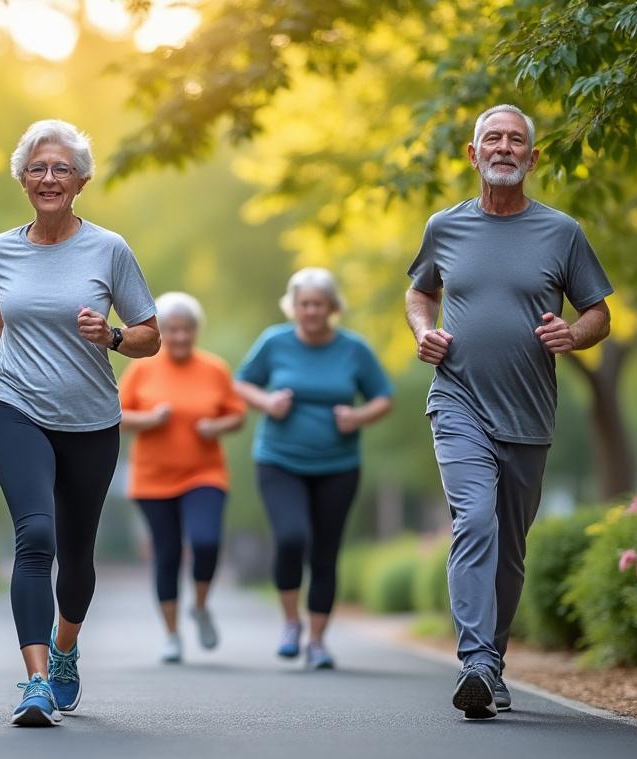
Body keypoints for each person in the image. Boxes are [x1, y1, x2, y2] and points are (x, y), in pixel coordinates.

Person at [405, 104, 612, 719]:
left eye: (515, 140)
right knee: (476, 521)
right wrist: (424, 330)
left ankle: (491, 661)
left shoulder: (562, 232)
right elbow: (421, 290)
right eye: (491, 139)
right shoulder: (445, 227)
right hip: (457, 397)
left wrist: (574, 335)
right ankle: (473, 661)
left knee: (511, 546)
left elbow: (599, 311)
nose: (503, 148)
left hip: (527, 412)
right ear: (473, 155)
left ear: (532, 157)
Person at [0, 119, 160, 726]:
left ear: (81, 180)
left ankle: (66, 646)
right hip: (16, 406)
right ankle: (35, 681)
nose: (48, 179)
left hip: (91, 419)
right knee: (37, 537)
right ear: (22, 179)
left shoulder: (109, 249)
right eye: (37, 168)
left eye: (60, 169)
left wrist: (113, 335)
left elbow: (150, 336)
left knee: (76, 554)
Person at [235, 267, 392, 670]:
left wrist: (357, 417)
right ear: (294, 306)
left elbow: (382, 397)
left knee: (325, 551)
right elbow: (241, 382)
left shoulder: (353, 349)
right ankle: (291, 623)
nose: (311, 311)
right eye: (304, 304)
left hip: (338, 464)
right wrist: (268, 403)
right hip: (279, 460)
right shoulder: (275, 342)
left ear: (332, 307)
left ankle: (318, 642)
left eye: (319, 304)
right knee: (291, 538)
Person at [119, 291, 245, 663]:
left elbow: (237, 415)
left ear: (196, 331)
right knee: (167, 553)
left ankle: (201, 605)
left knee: (205, 541)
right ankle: (172, 635)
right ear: (161, 331)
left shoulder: (214, 369)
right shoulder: (142, 367)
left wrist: (215, 425)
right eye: (171, 330)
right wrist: (150, 419)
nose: (178, 337)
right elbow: (118, 415)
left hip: (204, 472)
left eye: (186, 330)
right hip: (152, 478)